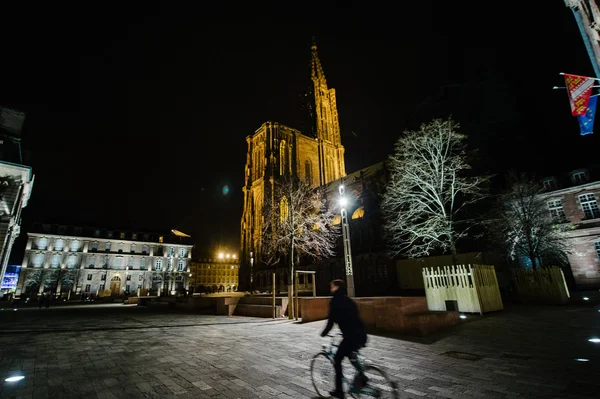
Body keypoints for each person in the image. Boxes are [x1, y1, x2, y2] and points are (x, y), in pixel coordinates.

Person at [320, 279, 368, 399]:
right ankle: (363, 377)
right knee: (351, 355)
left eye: (332, 286)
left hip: (350, 336)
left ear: (336, 288)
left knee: (337, 359)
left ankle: (339, 391)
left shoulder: (335, 301)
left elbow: (331, 321)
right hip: (361, 334)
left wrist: (324, 333)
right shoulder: (348, 300)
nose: (330, 289)